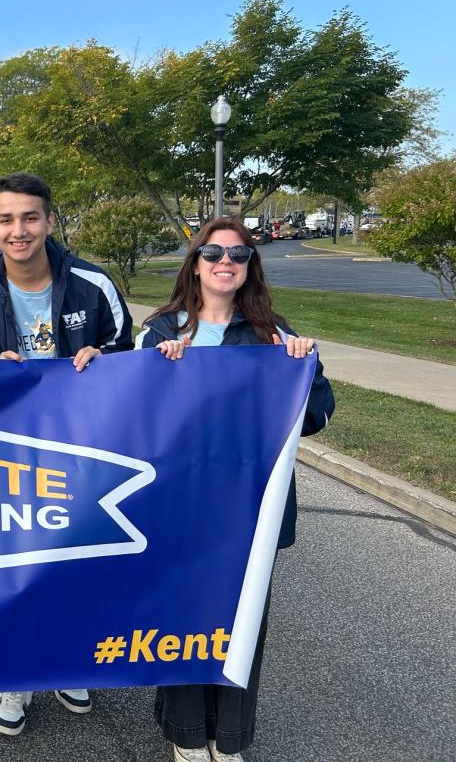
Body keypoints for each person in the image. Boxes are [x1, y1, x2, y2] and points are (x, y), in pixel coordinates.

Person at [137, 217, 334, 762]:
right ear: (195, 263)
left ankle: (231, 738)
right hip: (180, 508)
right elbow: (134, 420)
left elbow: (315, 416)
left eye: (239, 255)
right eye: (213, 253)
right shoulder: (161, 332)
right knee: (183, 614)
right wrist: (156, 372)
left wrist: (305, 368)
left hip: (251, 512)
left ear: (251, 267)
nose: (226, 262)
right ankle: (184, 732)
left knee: (243, 620)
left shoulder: (273, 334)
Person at [0, 171, 133, 734]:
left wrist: (106, 362)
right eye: (6, 219)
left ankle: (67, 660)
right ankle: (17, 673)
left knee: (76, 561)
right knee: (17, 569)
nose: (19, 229)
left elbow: (135, 364)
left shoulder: (94, 285)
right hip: (10, 464)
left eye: (30, 217)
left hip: (85, 452)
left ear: (50, 221)